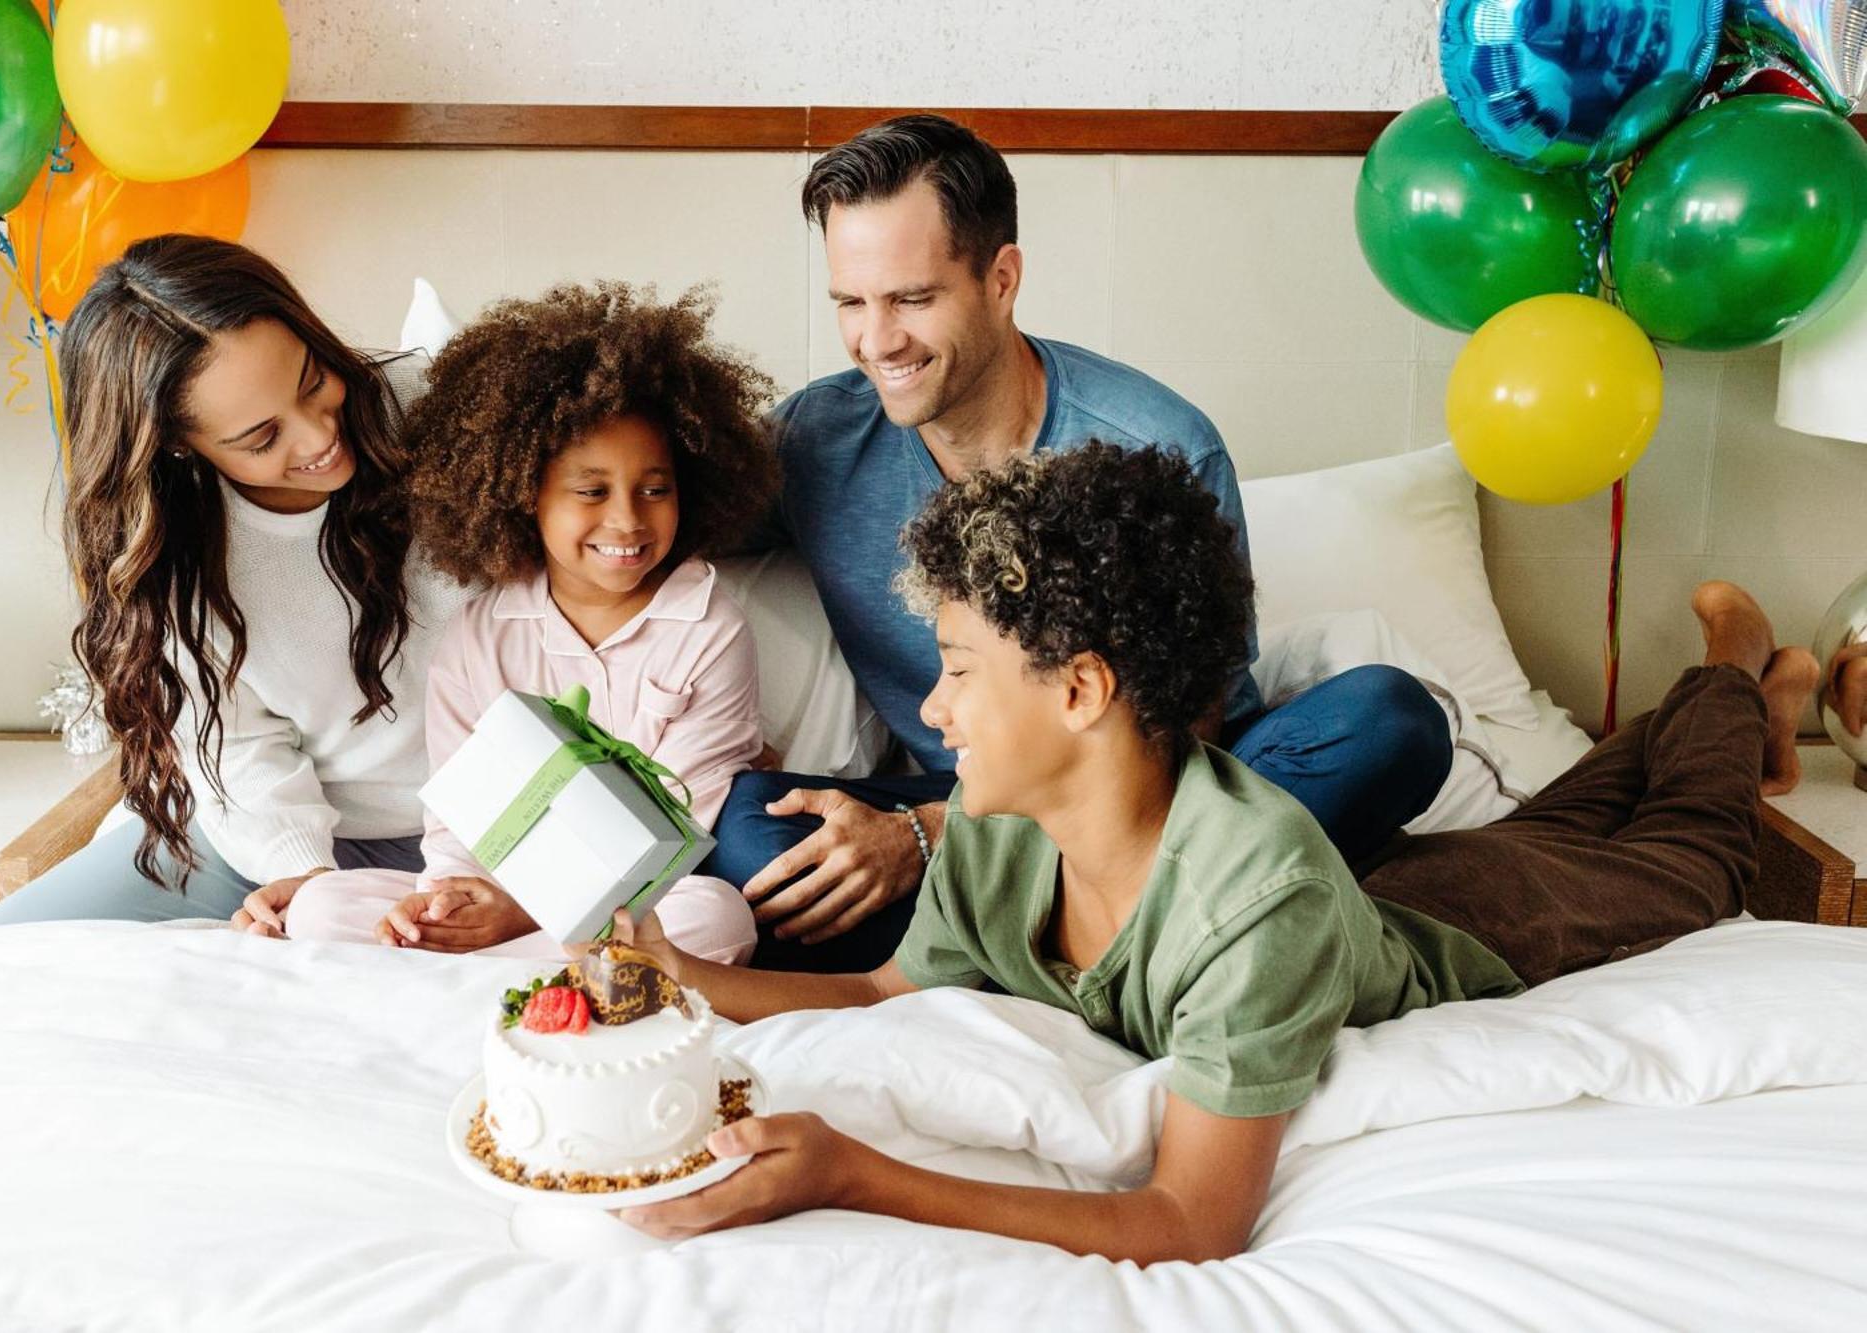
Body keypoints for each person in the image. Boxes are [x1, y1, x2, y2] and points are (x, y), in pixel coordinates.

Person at [597, 442, 1816, 1265]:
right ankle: (1701, 713)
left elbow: (1189, 1219)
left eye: (958, 671)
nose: (934, 713)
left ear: (1079, 690)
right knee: (1566, 807)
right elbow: (876, 991)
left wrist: (850, 1175)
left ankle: (1732, 669)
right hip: (1380, 897)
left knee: (1685, 860)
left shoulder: (1256, 903)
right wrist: (672, 976)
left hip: (1482, 930)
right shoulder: (987, 833)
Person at [711, 114, 1451, 972]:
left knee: (1390, 722)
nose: (878, 341)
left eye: (913, 298)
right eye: (851, 302)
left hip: (1165, 798)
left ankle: (1032, 943)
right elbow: (638, 519)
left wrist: (928, 836)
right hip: (971, 794)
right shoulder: (818, 440)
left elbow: (1181, 736)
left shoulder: (1156, 444)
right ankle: (1166, 933)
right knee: (750, 836)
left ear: (1001, 278)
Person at [264, 284, 776, 963]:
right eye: (591, 491)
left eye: (655, 489)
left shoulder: (710, 627)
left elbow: (677, 824)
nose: (627, 519)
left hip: (636, 902)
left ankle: (474, 976)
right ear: (523, 493)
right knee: (323, 907)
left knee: (718, 915)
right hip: (502, 900)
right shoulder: (481, 635)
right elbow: (456, 818)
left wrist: (519, 912)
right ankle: (538, 974)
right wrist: (447, 899)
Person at [0, 235, 473, 927]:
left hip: (502, 822)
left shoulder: (440, 410)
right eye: (261, 437)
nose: (317, 438)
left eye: (311, 381)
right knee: (11, 938)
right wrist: (304, 875)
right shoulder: (176, 550)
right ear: (180, 444)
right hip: (313, 828)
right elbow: (241, 750)